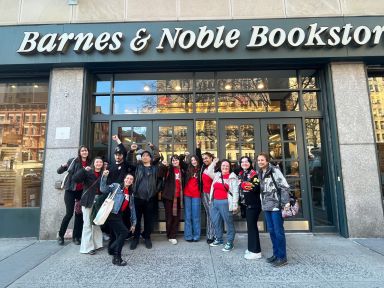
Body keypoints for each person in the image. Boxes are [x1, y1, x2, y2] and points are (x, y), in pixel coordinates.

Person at [257, 152, 290, 267]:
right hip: (266, 206)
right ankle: (276, 254)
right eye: (259, 160)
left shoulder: (274, 170)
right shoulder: (260, 172)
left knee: (278, 232)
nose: (260, 162)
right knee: (271, 231)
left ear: (267, 161)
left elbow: (284, 186)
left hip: (276, 206)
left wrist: (286, 203)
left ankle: (282, 257)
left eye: (262, 160)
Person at [127, 142, 161, 250]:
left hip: (150, 198)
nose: (145, 157)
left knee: (148, 220)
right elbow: (128, 162)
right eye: (143, 156)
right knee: (136, 219)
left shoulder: (155, 168)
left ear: (150, 158)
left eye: (147, 155)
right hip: (137, 197)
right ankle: (135, 238)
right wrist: (131, 151)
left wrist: (152, 147)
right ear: (141, 158)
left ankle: (146, 237)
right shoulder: (138, 167)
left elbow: (160, 181)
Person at [100, 171, 137, 266]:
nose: (129, 180)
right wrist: (104, 176)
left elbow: (132, 209)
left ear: (132, 182)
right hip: (112, 214)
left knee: (118, 235)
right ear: (124, 179)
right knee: (124, 232)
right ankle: (117, 258)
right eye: (127, 178)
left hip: (119, 215)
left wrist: (134, 223)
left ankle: (112, 249)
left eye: (131, 179)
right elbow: (103, 189)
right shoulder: (116, 186)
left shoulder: (131, 193)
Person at [56, 145, 91, 246]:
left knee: (79, 214)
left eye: (86, 150)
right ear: (79, 152)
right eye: (83, 151)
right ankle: (61, 235)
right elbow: (59, 171)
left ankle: (76, 237)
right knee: (69, 214)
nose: (84, 152)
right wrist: (63, 166)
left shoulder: (89, 163)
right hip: (71, 190)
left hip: (81, 191)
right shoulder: (73, 161)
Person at [73, 157, 104, 255]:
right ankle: (87, 248)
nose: (99, 163)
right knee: (87, 224)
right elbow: (75, 179)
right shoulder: (88, 172)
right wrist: (83, 170)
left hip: (98, 201)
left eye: (100, 162)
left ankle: (97, 244)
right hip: (88, 200)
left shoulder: (104, 173)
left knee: (96, 223)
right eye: (97, 162)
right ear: (93, 164)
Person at [108, 135, 136, 238]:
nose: (118, 156)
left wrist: (117, 140)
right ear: (114, 156)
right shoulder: (110, 167)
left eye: (120, 155)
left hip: (125, 193)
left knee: (125, 214)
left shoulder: (125, 164)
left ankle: (125, 235)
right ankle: (114, 236)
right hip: (114, 195)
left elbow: (124, 150)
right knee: (114, 216)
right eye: (116, 155)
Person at [209, 159, 239, 252]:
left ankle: (230, 242)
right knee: (216, 221)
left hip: (226, 202)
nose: (225, 167)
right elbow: (209, 171)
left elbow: (235, 192)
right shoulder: (217, 175)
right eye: (223, 165)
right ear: (220, 166)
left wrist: (235, 204)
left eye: (227, 166)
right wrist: (214, 162)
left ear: (230, 167)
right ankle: (219, 239)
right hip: (215, 202)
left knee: (229, 222)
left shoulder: (233, 177)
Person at [238, 156, 262, 260]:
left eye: (246, 161)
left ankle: (256, 251)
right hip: (246, 204)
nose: (244, 163)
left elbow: (255, 187)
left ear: (250, 163)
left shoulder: (254, 173)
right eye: (242, 162)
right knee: (250, 227)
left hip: (254, 204)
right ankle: (251, 248)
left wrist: (242, 184)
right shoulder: (241, 173)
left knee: (252, 228)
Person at [161, 155, 186, 244]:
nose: (175, 162)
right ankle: (170, 235)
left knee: (176, 217)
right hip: (168, 197)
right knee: (169, 216)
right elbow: (161, 172)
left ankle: (173, 234)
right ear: (171, 162)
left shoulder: (182, 170)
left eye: (176, 160)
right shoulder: (169, 169)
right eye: (173, 160)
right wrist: (163, 165)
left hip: (179, 197)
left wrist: (183, 157)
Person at [196, 144, 216, 244]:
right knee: (209, 214)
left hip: (214, 194)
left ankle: (213, 235)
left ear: (211, 158)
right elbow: (198, 158)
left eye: (206, 158)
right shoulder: (203, 166)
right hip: (204, 194)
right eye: (203, 159)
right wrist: (198, 149)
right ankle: (211, 235)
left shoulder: (216, 167)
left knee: (213, 214)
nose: (205, 160)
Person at [183, 154, 202, 242]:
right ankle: (188, 235)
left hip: (196, 195)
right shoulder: (188, 168)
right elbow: (180, 161)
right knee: (188, 216)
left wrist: (198, 148)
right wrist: (185, 155)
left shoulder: (201, 168)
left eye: (195, 160)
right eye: (192, 160)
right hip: (187, 194)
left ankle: (196, 235)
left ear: (198, 160)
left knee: (196, 216)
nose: (194, 162)